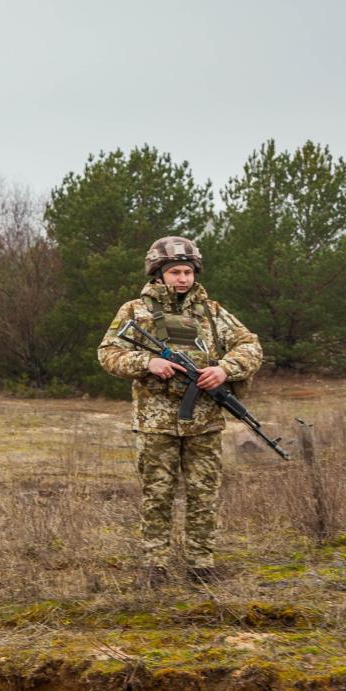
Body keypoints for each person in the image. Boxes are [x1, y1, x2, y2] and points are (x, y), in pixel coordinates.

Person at [96, 237, 263, 586]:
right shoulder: (134, 312)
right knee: (157, 494)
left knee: (204, 493)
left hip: (204, 423)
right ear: (159, 274)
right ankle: (154, 567)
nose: (183, 279)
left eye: (188, 271)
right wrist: (148, 361)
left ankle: (201, 566)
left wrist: (225, 369)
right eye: (175, 272)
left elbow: (250, 345)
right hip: (156, 424)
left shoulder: (213, 312)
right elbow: (108, 353)